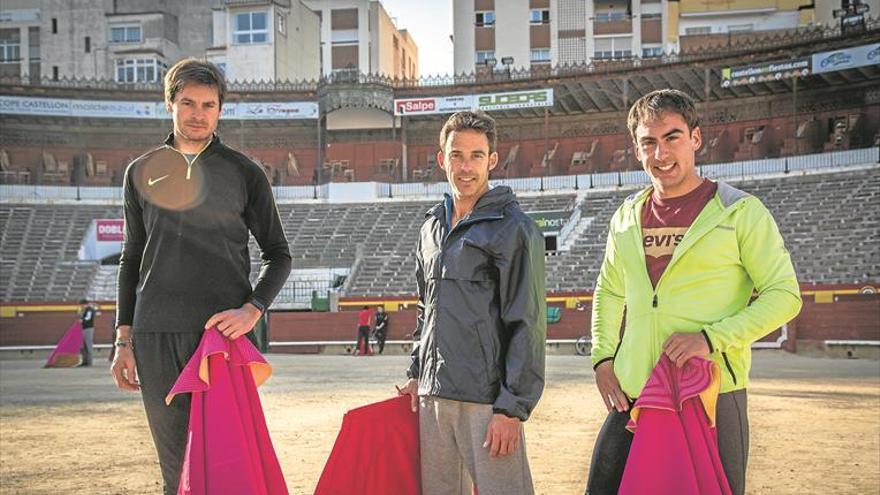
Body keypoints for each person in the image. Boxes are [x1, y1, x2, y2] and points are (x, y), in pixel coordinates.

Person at [586, 89, 802, 495]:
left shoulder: (740, 211)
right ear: (636, 148)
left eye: (672, 137)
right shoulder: (626, 216)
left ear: (696, 139)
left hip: (711, 392)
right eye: (649, 142)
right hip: (635, 390)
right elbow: (610, 291)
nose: (661, 153)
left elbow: (784, 295)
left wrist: (709, 339)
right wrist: (602, 358)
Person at [110, 58, 292, 495]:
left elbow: (278, 255)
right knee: (177, 467)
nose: (197, 114)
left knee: (227, 461)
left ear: (220, 110)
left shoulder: (245, 173)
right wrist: (123, 340)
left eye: (208, 105)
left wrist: (252, 311)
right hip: (155, 337)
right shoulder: (140, 171)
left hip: (221, 339)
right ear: (170, 103)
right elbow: (131, 258)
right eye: (187, 102)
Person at [397, 110, 547, 495]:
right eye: (457, 155)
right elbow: (425, 309)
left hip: (487, 402)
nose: (465, 167)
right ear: (442, 158)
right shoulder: (431, 227)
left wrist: (511, 409)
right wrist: (417, 374)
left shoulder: (515, 228)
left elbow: (526, 323)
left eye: (476, 156)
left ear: (492, 160)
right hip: (433, 399)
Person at [78, 298, 97, 367]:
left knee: (88, 346)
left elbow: (88, 318)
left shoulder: (89, 310)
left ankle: (89, 362)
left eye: (82, 305)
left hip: (88, 329)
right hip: (83, 329)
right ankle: (84, 361)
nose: (81, 306)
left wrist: (82, 320)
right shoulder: (84, 310)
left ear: (85, 304)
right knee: (83, 346)